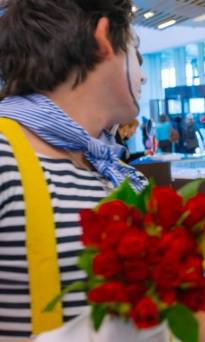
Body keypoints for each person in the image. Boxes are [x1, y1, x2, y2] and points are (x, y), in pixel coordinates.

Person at [0, 0, 148, 339]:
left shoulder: (121, 175)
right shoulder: (5, 159)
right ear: (104, 38)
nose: (144, 73)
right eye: (135, 51)